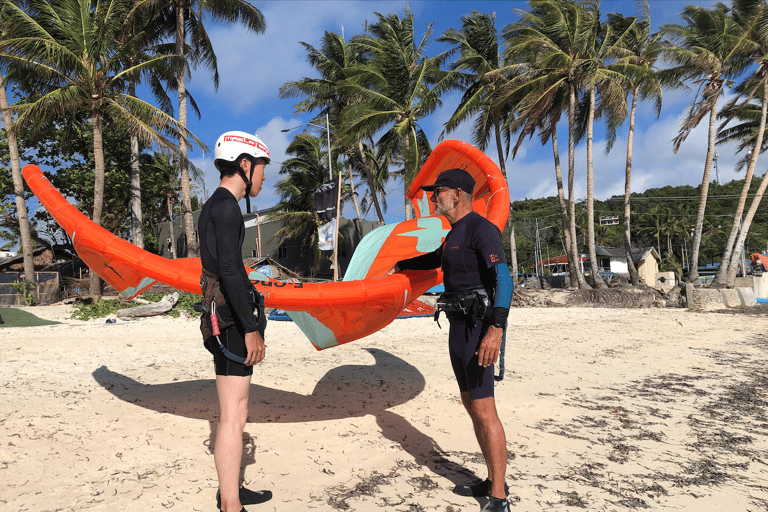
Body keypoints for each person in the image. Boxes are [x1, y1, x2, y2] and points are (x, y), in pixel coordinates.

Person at [387, 168, 513, 512]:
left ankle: (499, 496)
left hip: (479, 330)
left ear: (457, 194)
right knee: (472, 406)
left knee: (486, 410)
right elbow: (433, 261)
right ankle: (490, 479)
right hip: (458, 328)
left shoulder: (481, 230)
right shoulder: (454, 234)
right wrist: (398, 265)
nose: (432, 197)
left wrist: (496, 329)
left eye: (438, 191)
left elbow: (504, 278)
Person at [198, 131, 273, 512]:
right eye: (262, 168)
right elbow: (228, 268)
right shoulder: (227, 207)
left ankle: (233, 490)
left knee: (237, 413)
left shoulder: (217, 205)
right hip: (228, 322)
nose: (263, 177)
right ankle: (231, 504)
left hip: (221, 317)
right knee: (232, 416)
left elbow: (231, 268)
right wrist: (250, 328)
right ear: (245, 164)